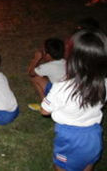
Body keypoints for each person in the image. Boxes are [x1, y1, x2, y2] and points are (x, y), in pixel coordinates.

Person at [40, 30, 107, 171]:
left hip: (70, 138)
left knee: (61, 166)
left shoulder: (62, 87)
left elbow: (44, 110)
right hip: (94, 136)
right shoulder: (104, 83)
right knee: (88, 164)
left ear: (72, 59)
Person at [27, 38, 66, 111]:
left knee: (35, 78)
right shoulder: (66, 62)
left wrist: (36, 59)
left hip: (58, 96)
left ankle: (45, 105)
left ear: (48, 55)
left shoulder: (48, 67)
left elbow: (31, 73)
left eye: (43, 51)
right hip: (68, 93)